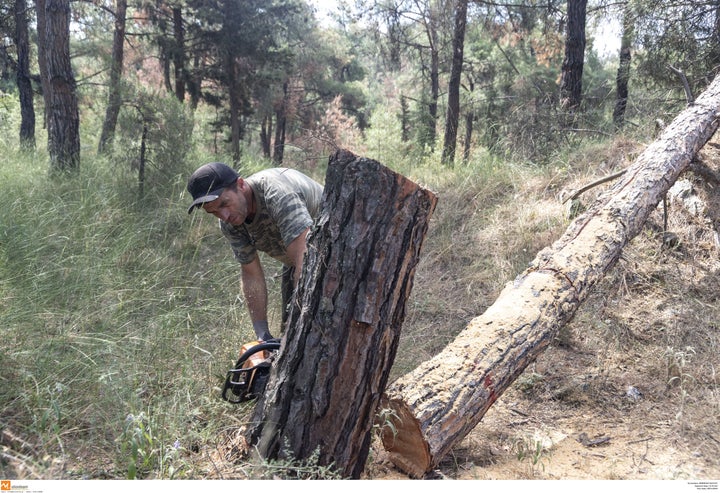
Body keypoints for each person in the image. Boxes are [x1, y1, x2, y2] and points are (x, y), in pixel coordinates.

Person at [187, 162, 323, 341]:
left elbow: (305, 260)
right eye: (214, 212)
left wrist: (302, 322)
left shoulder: (277, 194)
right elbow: (251, 274)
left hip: (335, 253)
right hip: (298, 262)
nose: (224, 216)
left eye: (224, 204)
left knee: (314, 332)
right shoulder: (230, 223)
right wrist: (262, 334)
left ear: (241, 185)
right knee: (289, 337)